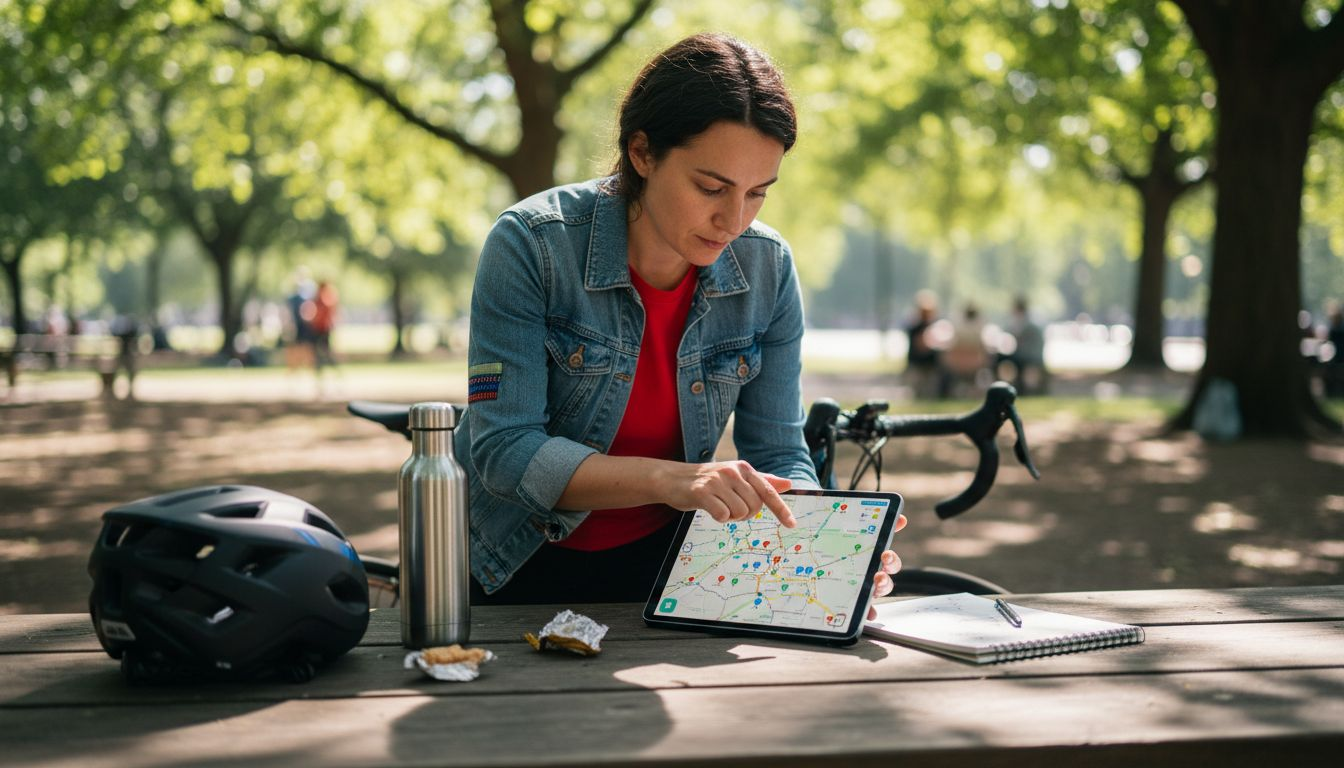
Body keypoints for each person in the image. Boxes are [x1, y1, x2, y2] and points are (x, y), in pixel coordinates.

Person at [457, 33, 903, 612]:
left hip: (669, 566)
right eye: (711, 188)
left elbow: (778, 451)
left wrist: (827, 545)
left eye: (757, 193)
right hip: (514, 562)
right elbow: (505, 450)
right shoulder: (532, 245)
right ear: (642, 153)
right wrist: (672, 479)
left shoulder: (768, 267)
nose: (733, 220)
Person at [904, 289, 943, 399]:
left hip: (931, 363)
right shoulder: (915, 327)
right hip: (918, 363)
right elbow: (921, 346)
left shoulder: (936, 326)